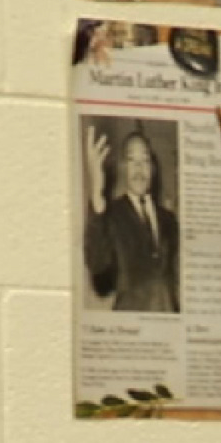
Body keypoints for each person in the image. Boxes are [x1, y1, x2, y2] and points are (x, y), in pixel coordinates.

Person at [82, 124, 182, 314]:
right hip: (132, 329)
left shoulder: (169, 220)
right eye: (132, 160)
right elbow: (97, 264)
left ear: (152, 168)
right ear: (123, 168)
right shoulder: (111, 214)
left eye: (144, 160)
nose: (139, 168)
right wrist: (96, 192)